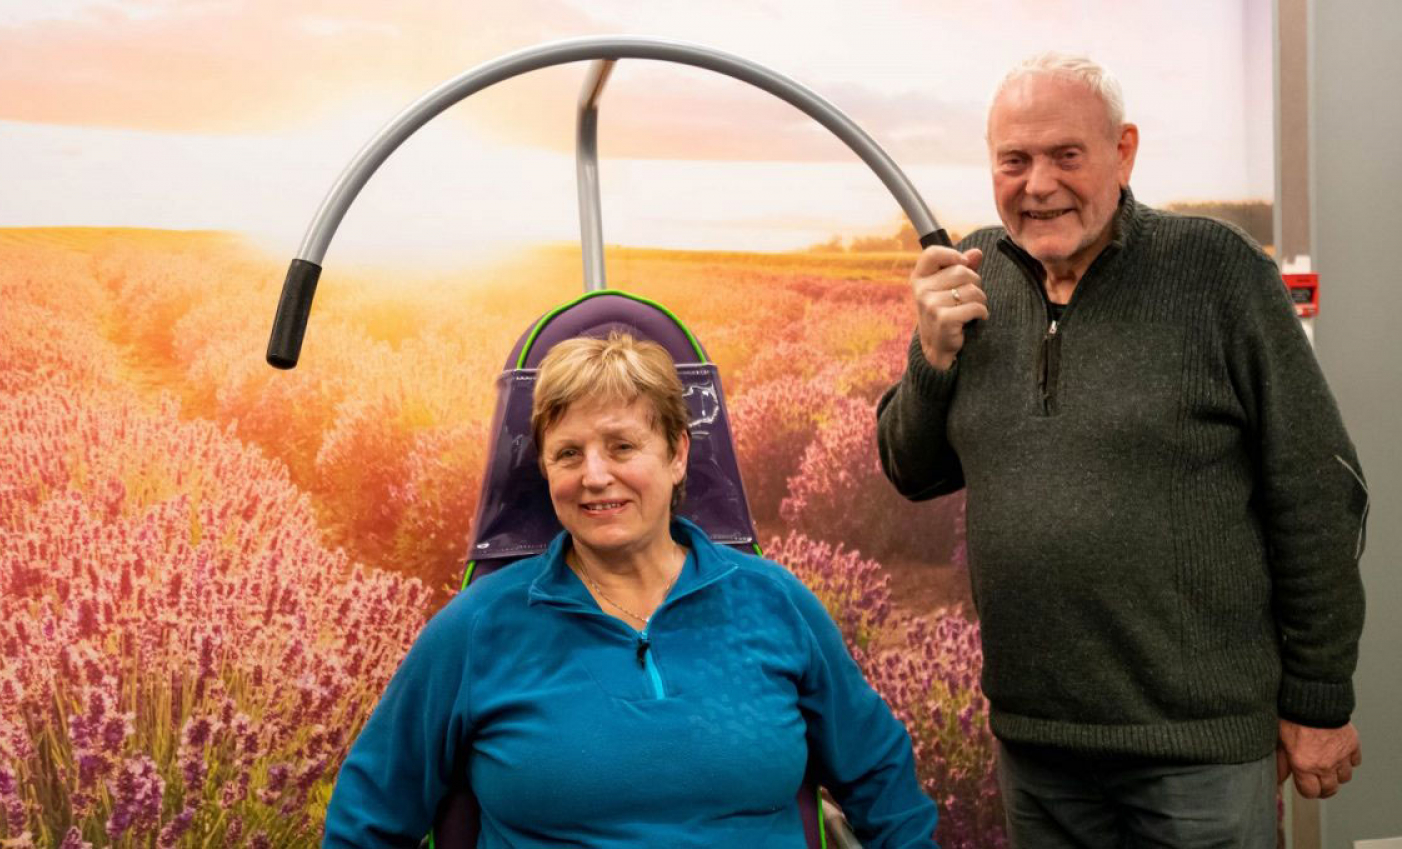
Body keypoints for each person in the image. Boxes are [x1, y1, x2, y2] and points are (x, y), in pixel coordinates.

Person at [876, 52, 1367, 847]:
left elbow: (1317, 488)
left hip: (1196, 752)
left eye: (1067, 155)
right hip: (1038, 745)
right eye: (1016, 160)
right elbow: (911, 468)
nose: (1039, 184)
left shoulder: (1216, 272)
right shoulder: (971, 278)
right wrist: (931, 357)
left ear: (1123, 151)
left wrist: (1318, 699)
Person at [326, 332, 938, 848]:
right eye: (568, 453)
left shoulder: (774, 602)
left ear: (676, 455)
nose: (595, 476)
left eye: (622, 446)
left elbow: (882, 781)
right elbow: (369, 817)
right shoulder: (477, 628)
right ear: (546, 470)